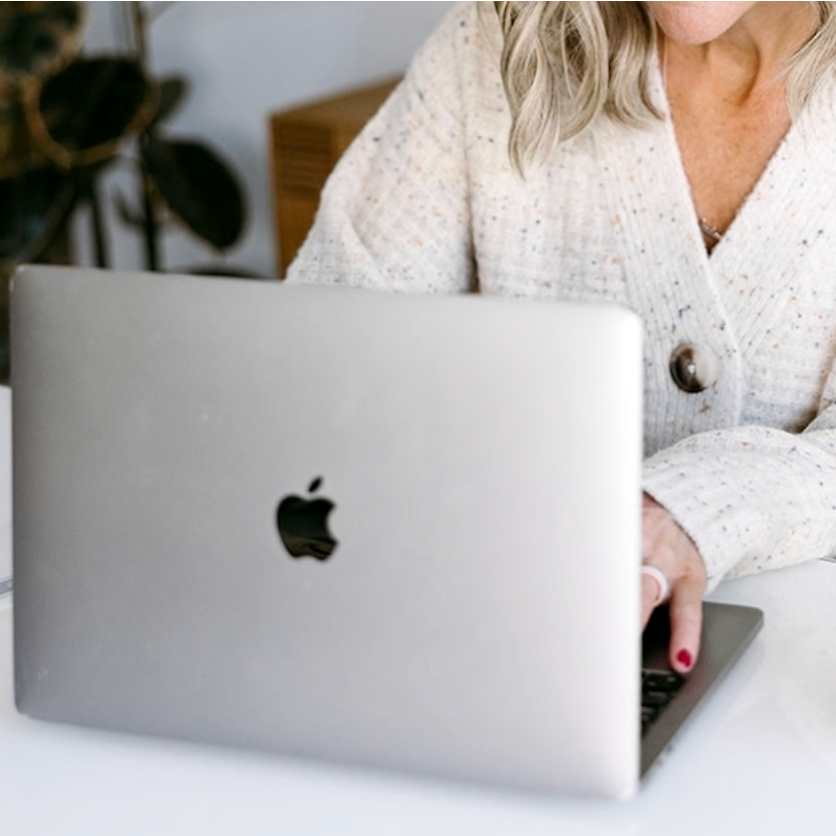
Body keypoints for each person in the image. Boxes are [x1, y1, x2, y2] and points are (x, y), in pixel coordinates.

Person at [285, 1, 836, 674]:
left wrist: (688, 507)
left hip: (801, 690)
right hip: (512, 645)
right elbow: (324, 351)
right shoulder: (497, 42)